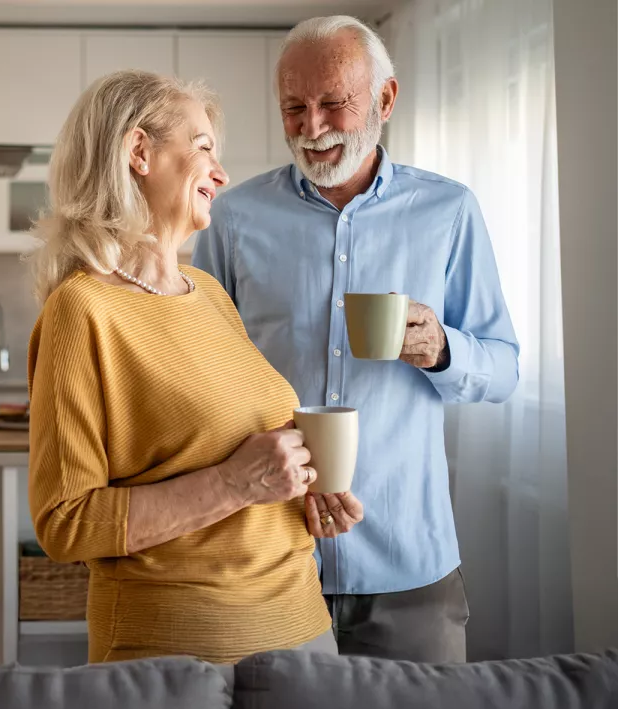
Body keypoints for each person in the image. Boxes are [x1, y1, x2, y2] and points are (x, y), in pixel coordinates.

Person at [193, 16, 519, 663]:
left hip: (409, 569)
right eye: (295, 107)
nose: (313, 128)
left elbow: (504, 367)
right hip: (269, 559)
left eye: (333, 104)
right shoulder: (233, 216)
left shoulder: (449, 211)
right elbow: (200, 373)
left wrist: (442, 348)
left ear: (385, 100)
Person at [25, 69, 364, 665]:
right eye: (203, 147)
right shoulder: (83, 310)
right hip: (179, 654)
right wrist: (235, 483)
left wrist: (296, 493)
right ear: (138, 152)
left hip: (303, 632)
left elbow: (232, 451)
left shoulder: (207, 292)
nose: (222, 173)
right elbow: (66, 523)